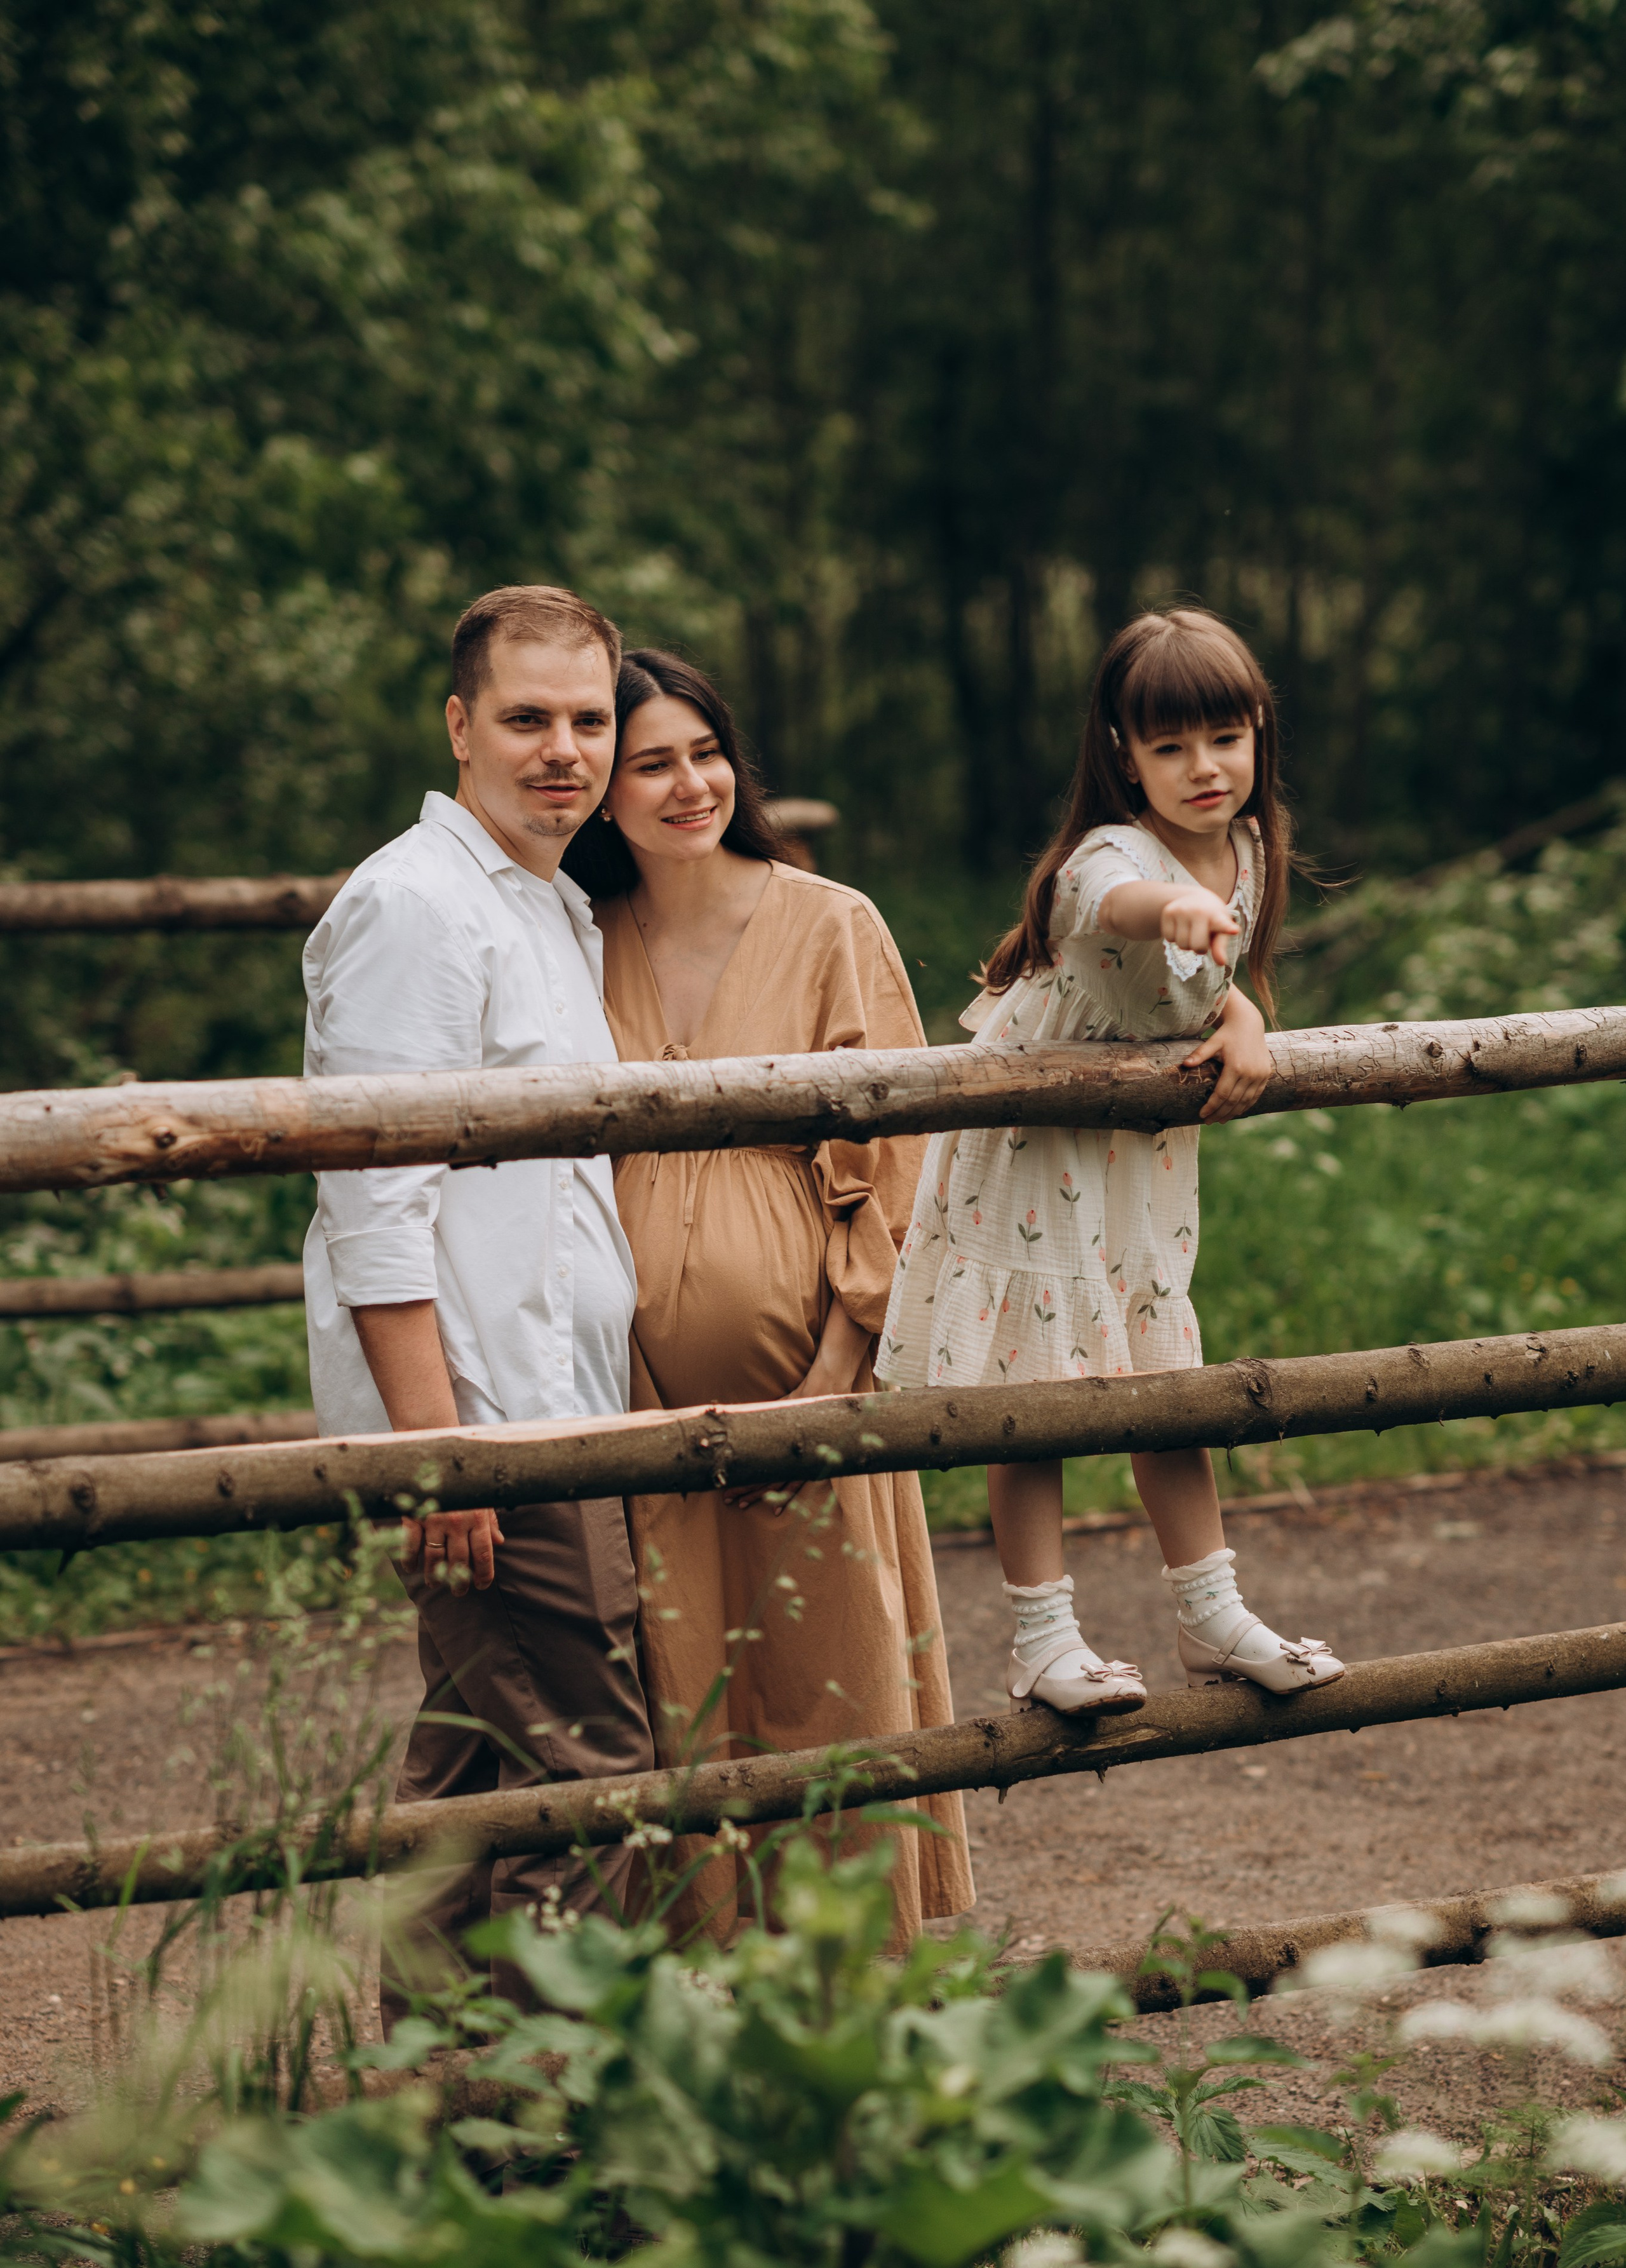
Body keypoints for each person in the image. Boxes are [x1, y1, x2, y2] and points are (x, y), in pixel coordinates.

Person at [561, 647, 974, 1944]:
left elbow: (894, 1163)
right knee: (679, 1688)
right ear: (604, 797)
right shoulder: (575, 936)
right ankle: (707, 1985)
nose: (688, 784)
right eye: (650, 764)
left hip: (812, 1372)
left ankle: (864, 1983)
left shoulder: (826, 922)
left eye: (703, 752)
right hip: (633, 1398)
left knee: (833, 1674)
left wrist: (833, 1374)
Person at [878, 608, 1346, 1714]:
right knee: (1029, 1386)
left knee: (1161, 1379)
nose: (1202, 769)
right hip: (1036, 1144)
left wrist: (1243, 1015)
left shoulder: (1252, 844)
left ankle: (1211, 1615)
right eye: (1170, 746)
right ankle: (1042, 1638)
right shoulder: (1113, 856)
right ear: (1121, 752)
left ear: (1259, 731)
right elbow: (1117, 908)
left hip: (1137, 1158)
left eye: (1225, 738)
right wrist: (1177, 909)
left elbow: (1197, 985)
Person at [302, 583, 655, 2024]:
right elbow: (372, 1199)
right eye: (527, 719)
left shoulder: (547, 903)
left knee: (469, 1759)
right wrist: (436, 1448)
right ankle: (549, 2126)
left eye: (587, 720)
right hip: (484, 1424)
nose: (562, 749)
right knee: (592, 1769)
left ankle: (429, 2106)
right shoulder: (413, 904)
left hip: (548, 1402)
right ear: (460, 725)